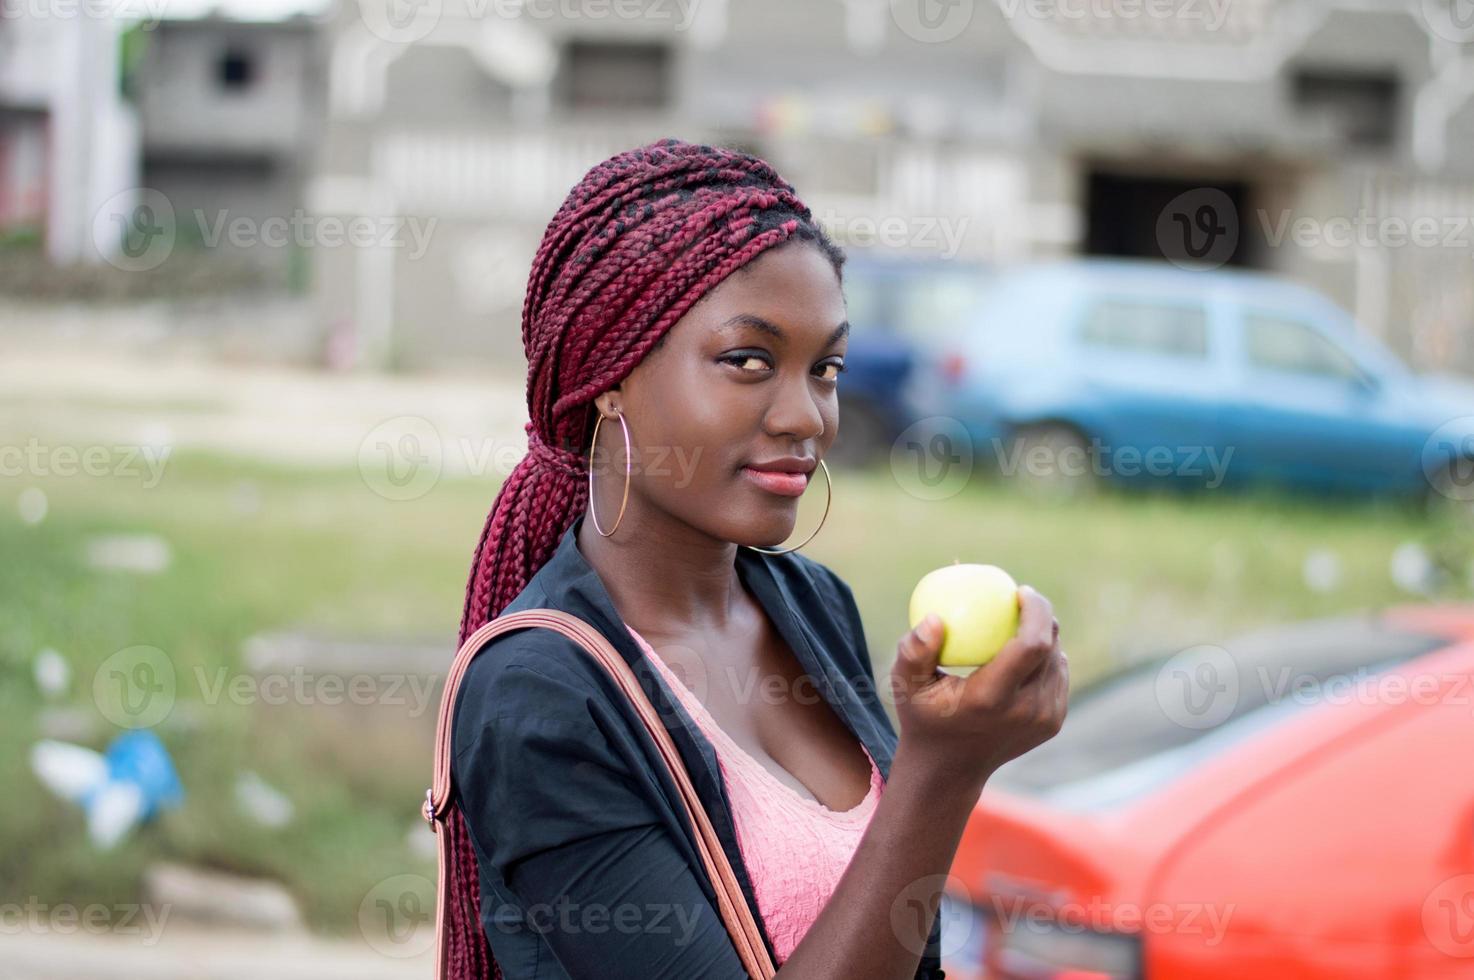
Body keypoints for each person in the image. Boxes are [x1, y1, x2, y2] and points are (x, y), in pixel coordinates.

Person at [445, 138, 1069, 980]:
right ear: (610, 375)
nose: (807, 415)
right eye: (749, 361)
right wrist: (942, 775)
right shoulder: (540, 697)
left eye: (827, 368)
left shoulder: (810, 605)